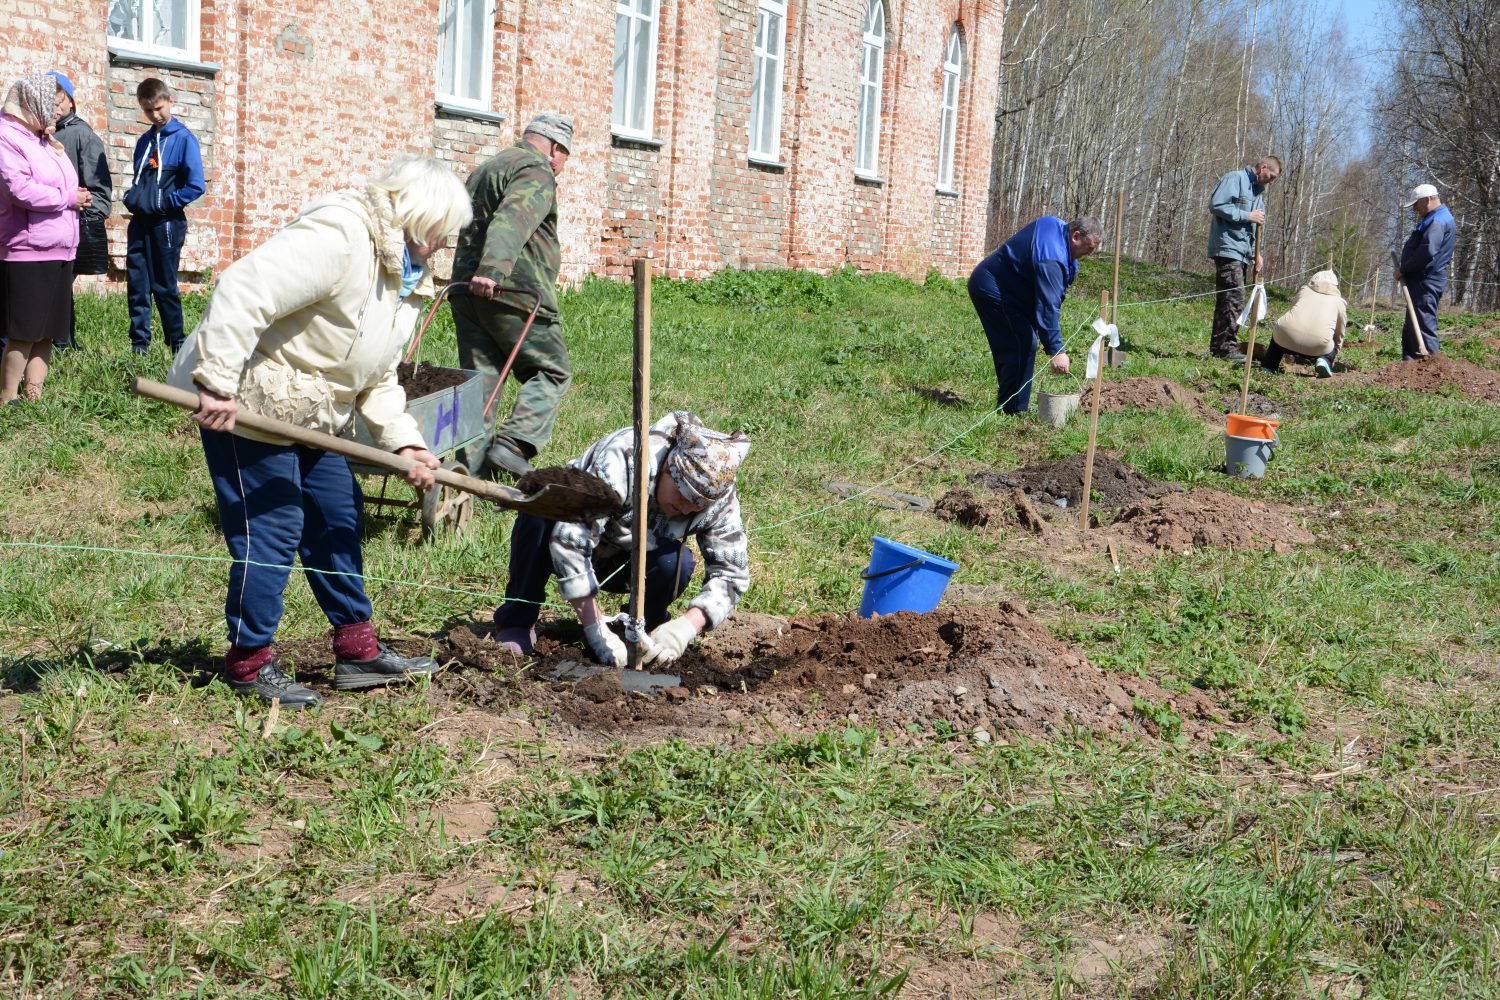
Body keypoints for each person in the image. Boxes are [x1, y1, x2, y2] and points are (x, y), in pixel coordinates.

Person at [165, 155, 473, 709]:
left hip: (314, 414)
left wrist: (406, 443)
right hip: (249, 402)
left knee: (337, 513)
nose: (441, 249)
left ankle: (358, 653)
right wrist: (216, 381)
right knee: (273, 529)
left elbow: (377, 376)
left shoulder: (399, 278)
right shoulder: (342, 235)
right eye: (440, 236)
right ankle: (249, 662)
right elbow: (243, 289)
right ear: (420, 218)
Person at [493, 411, 750, 668]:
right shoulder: (624, 459)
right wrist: (594, 628)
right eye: (683, 497)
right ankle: (518, 620)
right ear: (668, 469)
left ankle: (641, 632)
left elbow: (732, 574)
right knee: (538, 517)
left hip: (627, 559)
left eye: (697, 507)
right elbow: (570, 540)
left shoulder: (720, 500)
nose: (686, 509)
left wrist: (688, 626)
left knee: (676, 563)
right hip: (568, 539)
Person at [451, 113, 573, 479]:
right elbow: (512, 219)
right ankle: (514, 442)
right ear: (555, 147)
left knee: (480, 384)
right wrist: (492, 271)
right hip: (511, 292)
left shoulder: (489, 167)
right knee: (551, 371)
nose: (563, 166)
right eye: (565, 156)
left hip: (465, 293)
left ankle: (470, 476)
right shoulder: (536, 170)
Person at [0, 73, 83, 405]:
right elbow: (18, 189)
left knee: (48, 330)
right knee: (24, 331)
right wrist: (68, 198)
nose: (54, 110)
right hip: (27, 249)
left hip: (59, 247)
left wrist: (76, 196)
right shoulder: (7, 136)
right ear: (30, 102)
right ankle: (7, 399)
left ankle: (34, 399)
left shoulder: (42, 139)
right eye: (49, 103)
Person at [967, 216, 1101, 415]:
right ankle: (1012, 410)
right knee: (1021, 343)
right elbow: (1048, 305)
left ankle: (1013, 405)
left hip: (1013, 292)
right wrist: (1056, 350)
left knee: (1022, 343)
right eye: (1088, 248)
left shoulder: (1054, 225)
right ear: (1076, 236)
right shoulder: (1052, 258)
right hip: (993, 289)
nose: (1088, 254)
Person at [124, 77, 204, 356]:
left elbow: (196, 185)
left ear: (170, 101)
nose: (155, 115)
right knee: (137, 284)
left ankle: (177, 345)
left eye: (158, 108)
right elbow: (139, 179)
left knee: (164, 285)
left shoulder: (184, 140)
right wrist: (132, 196)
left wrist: (166, 203)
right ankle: (139, 346)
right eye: (148, 111)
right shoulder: (144, 141)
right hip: (140, 223)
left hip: (167, 223)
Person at [48, 71, 111, 349]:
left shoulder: (82, 135)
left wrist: (83, 222)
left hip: (72, 227)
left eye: (59, 100)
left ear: (71, 101)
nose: (55, 107)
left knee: (57, 289)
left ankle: (63, 346)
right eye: (50, 100)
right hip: (50, 228)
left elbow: (101, 194)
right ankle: (59, 345)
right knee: (53, 289)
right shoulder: (46, 135)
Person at [1208, 155, 1281, 361]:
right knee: (1234, 297)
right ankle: (1225, 348)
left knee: (1228, 300)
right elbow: (1216, 205)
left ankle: (1219, 347)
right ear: (1263, 167)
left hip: (1242, 253)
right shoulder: (1235, 179)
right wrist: (1247, 215)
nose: (1272, 181)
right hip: (1227, 248)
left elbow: (1254, 229)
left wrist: (1256, 253)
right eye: (1272, 176)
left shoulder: (1258, 195)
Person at [1393, 183, 1456, 360]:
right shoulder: (1437, 218)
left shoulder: (1437, 221)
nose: (1414, 208)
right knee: (1414, 326)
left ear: (1427, 200)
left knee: (1423, 326)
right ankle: (1410, 367)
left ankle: (1430, 370)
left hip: (1426, 281)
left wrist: (1403, 269)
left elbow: (1427, 252)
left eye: (1416, 204)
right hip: (1422, 281)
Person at [1261, 269, 1346, 378]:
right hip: (1318, 344)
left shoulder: (1304, 290)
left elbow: (1293, 309)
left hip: (1285, 336)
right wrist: (1333, 353)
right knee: (1331, 342)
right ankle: (1324, 360)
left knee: (1280, 331)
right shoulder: (1339, 302)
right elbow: (1340, 332)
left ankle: (1269, 365)